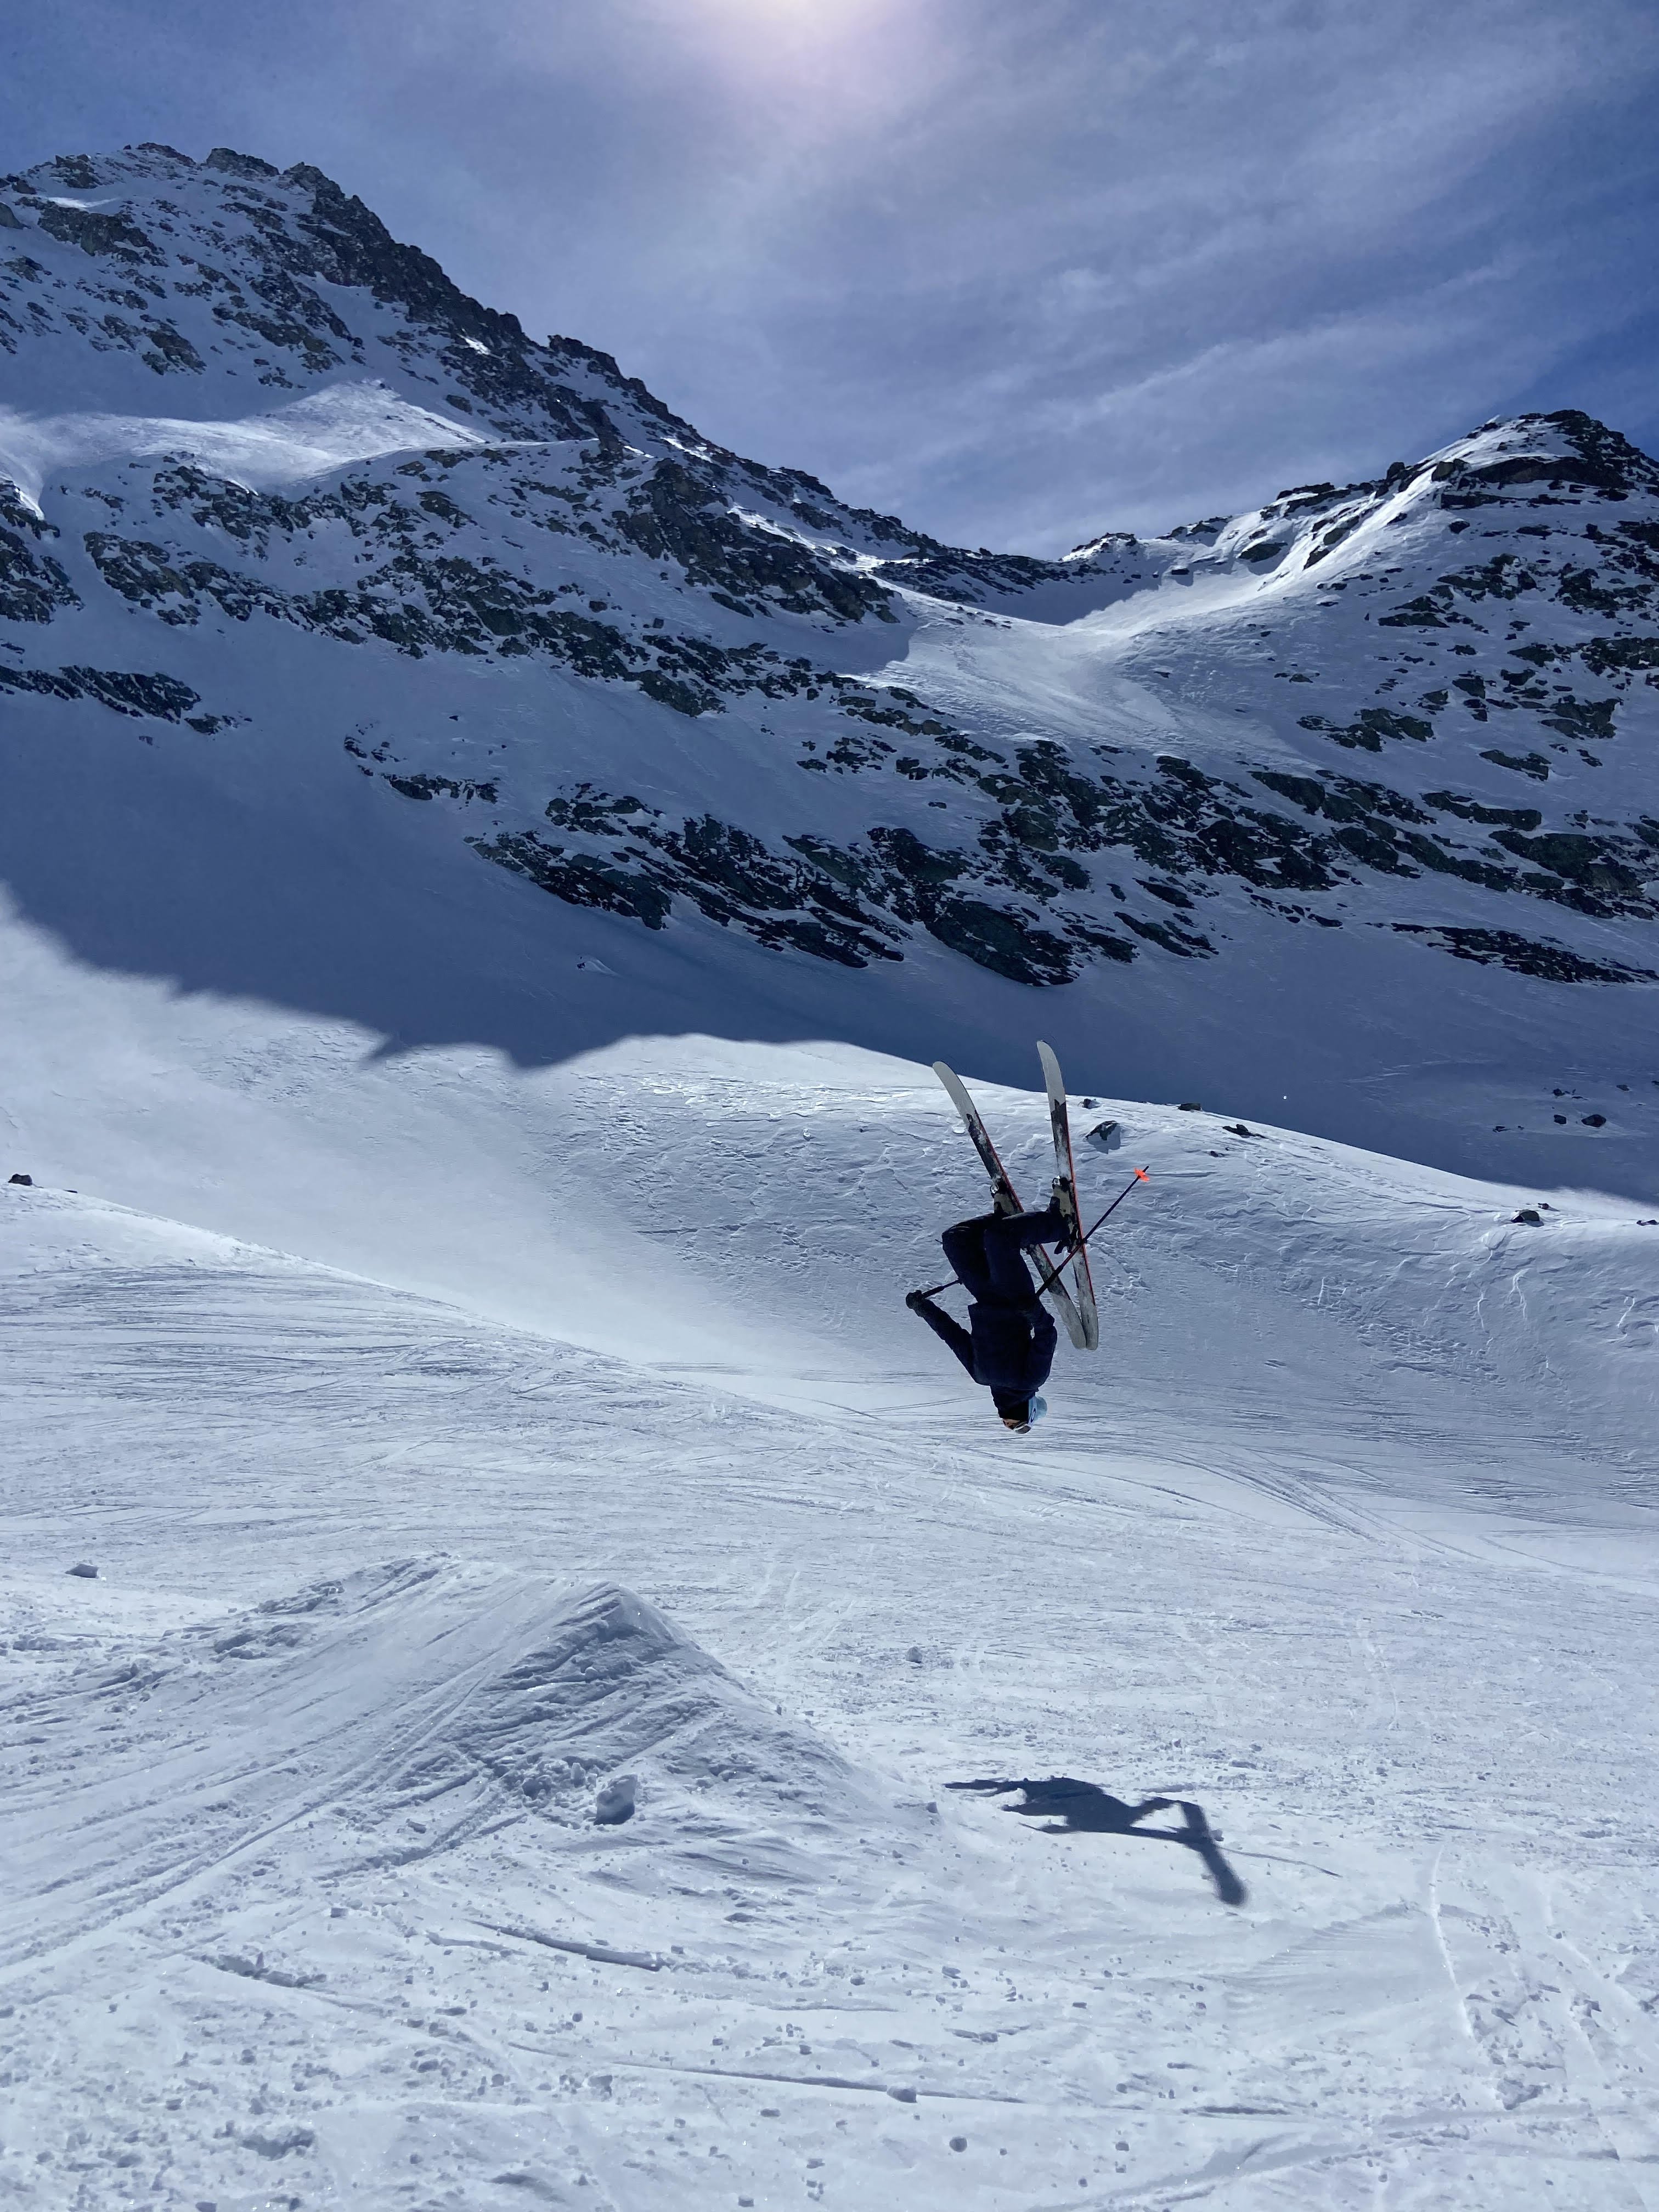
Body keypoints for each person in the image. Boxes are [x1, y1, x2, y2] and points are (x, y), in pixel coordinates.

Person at [906, 1194, 1068, 1431]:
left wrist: (924, 1308)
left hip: (986, 1294)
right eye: (1012, 1423)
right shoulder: (1025, 1379)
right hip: (1014, 1297)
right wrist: (1033, 1312)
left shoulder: (986, 1376)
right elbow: (1047, 1334)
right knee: (996, 1239)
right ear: (1024, 1411)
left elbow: (952, 1336)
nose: (1005, 1422)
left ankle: (1007, 1220)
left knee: (955, 1239)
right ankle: (1062, 1225)